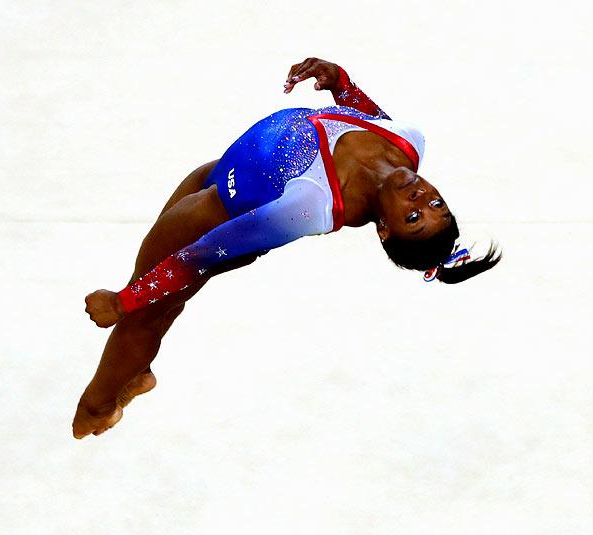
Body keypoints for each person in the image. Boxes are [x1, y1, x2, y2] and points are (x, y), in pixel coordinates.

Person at [72, 57, 501, 439]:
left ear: (384, 230)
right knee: (159, 306)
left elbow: (202, 253)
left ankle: (97, 407)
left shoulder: (312, 205)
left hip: (217, 216)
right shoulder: (410, 142)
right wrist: (341, 82)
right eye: (435, 205)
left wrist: (125, 301)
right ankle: (137, 374)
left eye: (413, 219)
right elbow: (370, 117)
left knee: (144, 317)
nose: (421, 200)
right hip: (217, 173)